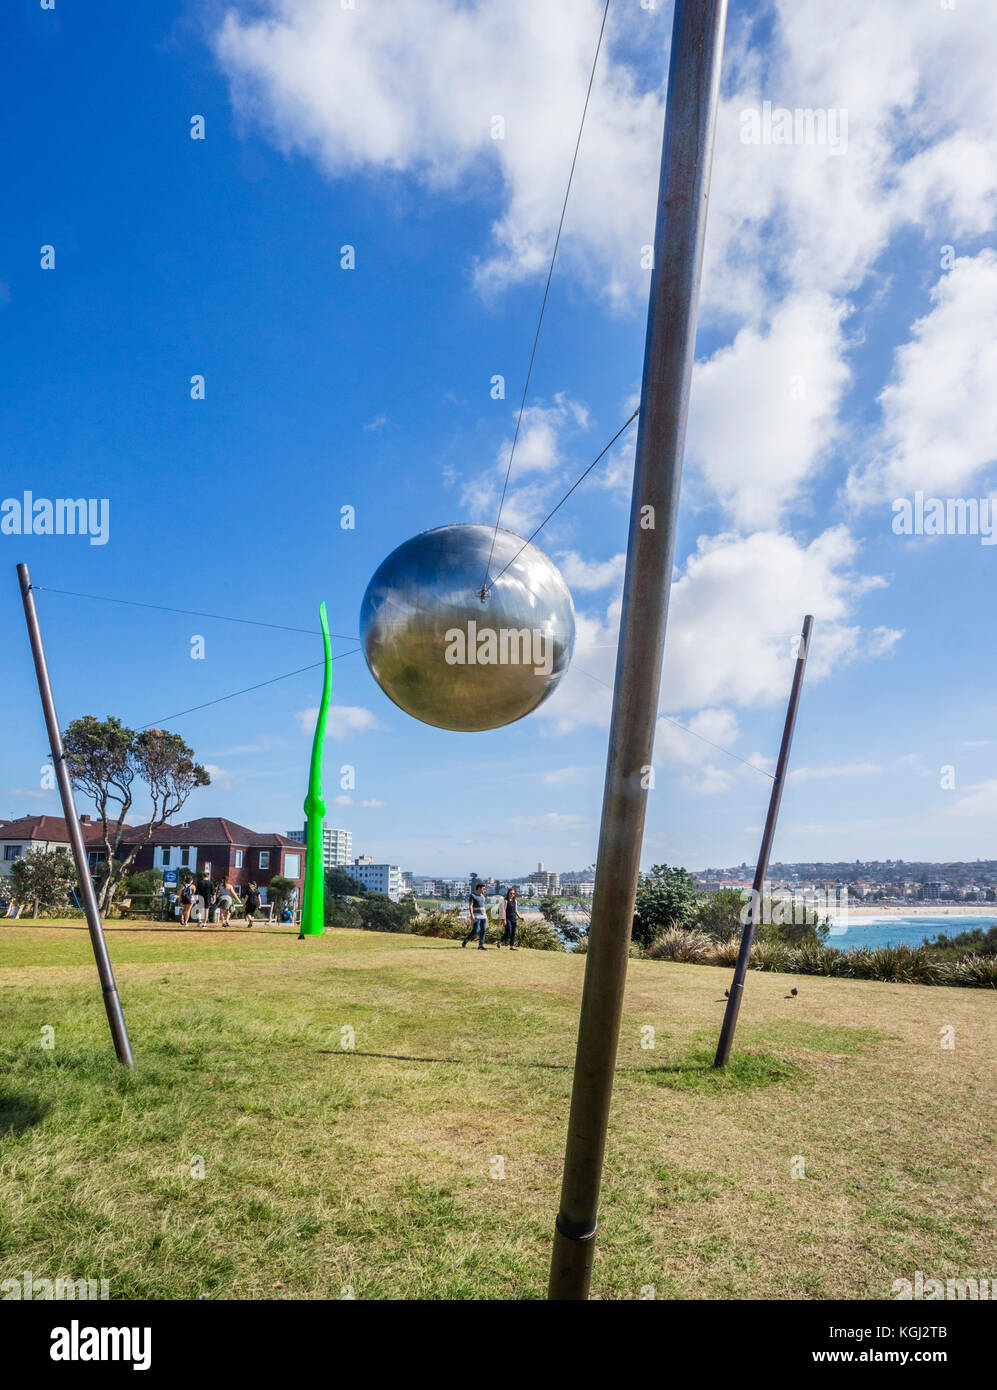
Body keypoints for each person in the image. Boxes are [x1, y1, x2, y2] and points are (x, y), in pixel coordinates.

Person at [462, 882, 488, 950]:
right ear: (479, 888)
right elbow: (470, 906)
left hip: (483, 916)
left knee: (483, 930)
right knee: (475, 930)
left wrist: (486, 915)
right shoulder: (472, 895)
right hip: (476, 916)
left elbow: (483, 906)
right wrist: (472, 915)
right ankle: (466, 940)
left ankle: (481, 945)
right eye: (483, 888)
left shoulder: (483, 896)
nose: (484, 890)